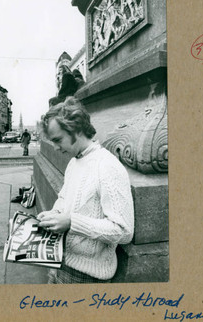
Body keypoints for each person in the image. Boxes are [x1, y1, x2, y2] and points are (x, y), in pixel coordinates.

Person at [37, 97, 134, 283]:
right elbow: (65, 198)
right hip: (59, 262)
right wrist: (54, 214)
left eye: (58, 140)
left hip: (86, 276)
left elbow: (124, 230)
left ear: (77, 129)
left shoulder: (107, 166)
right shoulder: (75, 161)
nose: (55, 147)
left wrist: (71, 222)